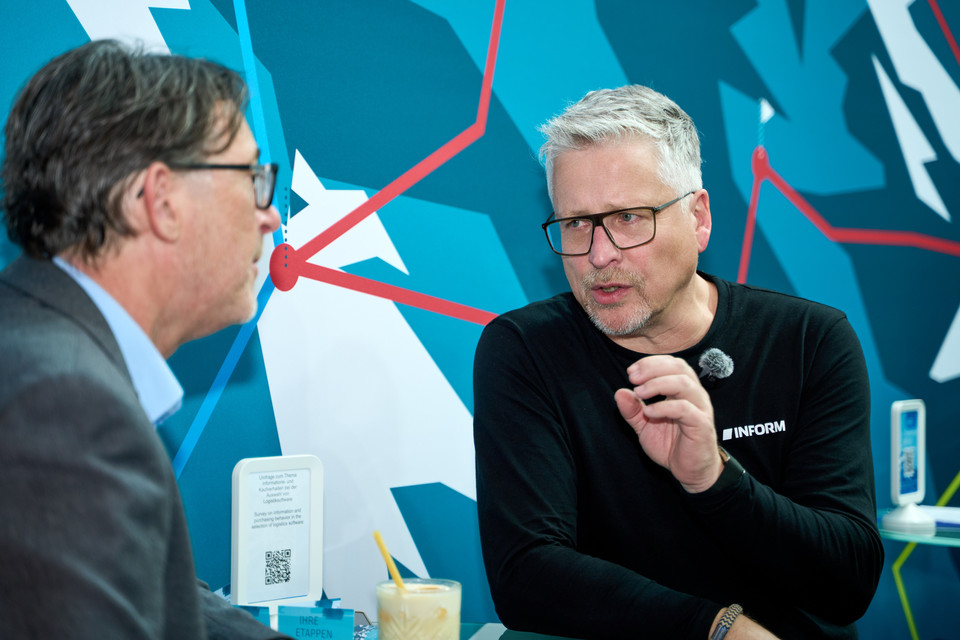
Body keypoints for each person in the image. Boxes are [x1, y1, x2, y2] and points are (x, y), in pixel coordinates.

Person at [473, 85, 883, 639]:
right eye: (576, 223)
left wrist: (714, 479)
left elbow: (847, 583)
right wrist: (715, 629)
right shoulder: (525, 349)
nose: (599, 255)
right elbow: (525, 575)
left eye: (628, 217)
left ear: (699, 218)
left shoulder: (809, 340)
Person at [0, 40, 288, 639]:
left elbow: (161, 597)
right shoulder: (65, 406)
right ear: (160, 201)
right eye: (253, 179)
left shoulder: (42, 354)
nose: (271, 217)